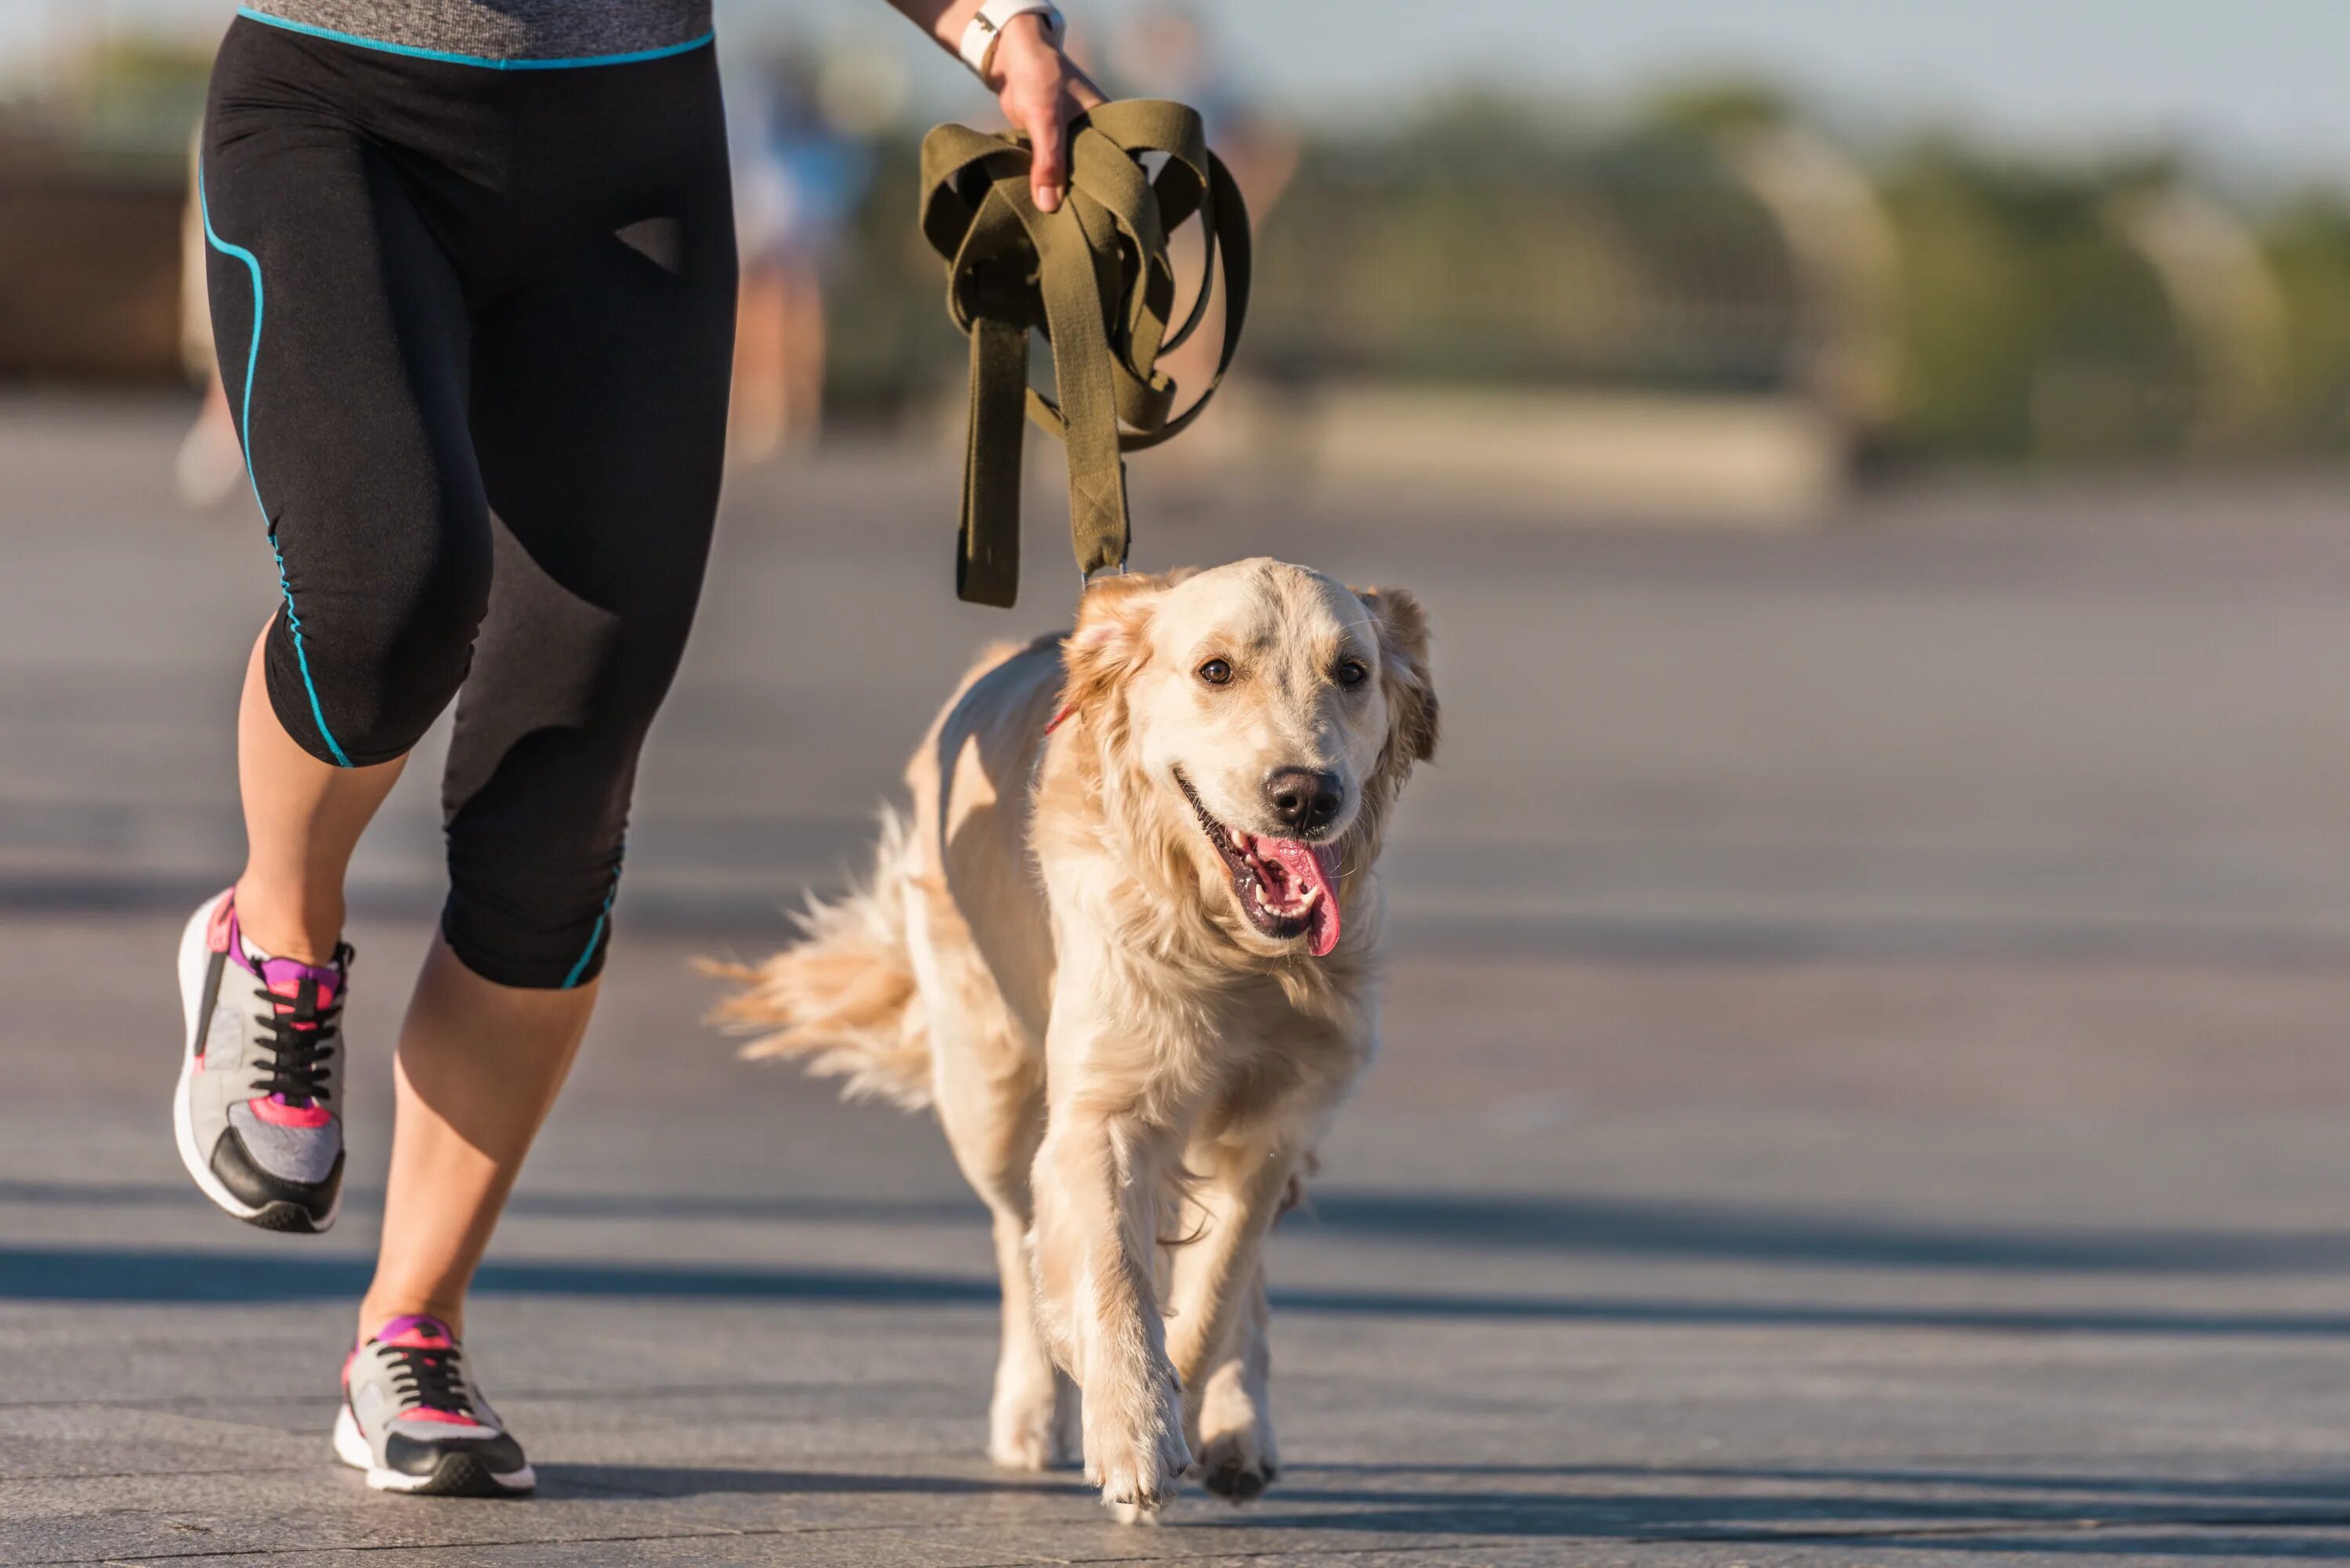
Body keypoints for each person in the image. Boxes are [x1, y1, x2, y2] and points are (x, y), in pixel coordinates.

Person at [171, 0, 1097, 1498]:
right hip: (340, 111)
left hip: (630, 155)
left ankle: (410, 1328)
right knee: (393, 599)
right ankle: (276, 925)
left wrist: (1001, 32)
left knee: (572, 754)